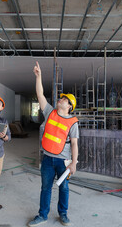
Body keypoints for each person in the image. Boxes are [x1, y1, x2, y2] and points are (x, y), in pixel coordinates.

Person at [28, 62, 79, 226]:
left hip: (63, 161)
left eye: (64, 99)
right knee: (45, 188)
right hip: (48, 158)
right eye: (61, 98)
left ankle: (63, 214)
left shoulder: (73, 122)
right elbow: (40, 94)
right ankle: (42, 215)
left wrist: (73, 163)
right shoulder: (50, 112)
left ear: (70, 106)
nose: (60, 99)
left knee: (64, 188)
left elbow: (74, 144)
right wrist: (39, 76)